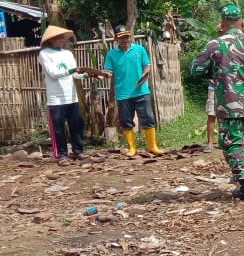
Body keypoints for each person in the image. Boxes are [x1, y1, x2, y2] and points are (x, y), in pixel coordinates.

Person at [190, 4, 244, 200]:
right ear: (242, 22)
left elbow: (195, 70)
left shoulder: (214, 45)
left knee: (233, 143)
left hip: (228, 105)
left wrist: (216, 72)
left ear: (222, 23)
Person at [38, 25, 108, 163]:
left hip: (71, 97)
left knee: (77, 124)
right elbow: (53, 73)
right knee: (58, 129)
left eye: (62, 37)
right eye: (59, 38)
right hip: (55, 99)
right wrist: (72, 71)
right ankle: (61, 155)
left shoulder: (67, 54)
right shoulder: (44, 54)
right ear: (51, 39)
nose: (62, 40)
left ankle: (78, 151)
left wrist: (88, 75)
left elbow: (75, 74)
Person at [103, 24, 164, 157]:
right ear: (116, 39)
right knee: (126, 121)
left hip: (141, 91)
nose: (125, 40)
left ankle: (153, 146)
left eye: (127, 36)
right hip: (123, 94)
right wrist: (103, 74)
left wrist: (144, 74)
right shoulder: (111, 54)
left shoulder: (139, 49)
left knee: (148, 118)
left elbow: (147, 65)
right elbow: (108, 71)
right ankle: (132, 148)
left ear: (130, 36)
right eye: (122, 37)